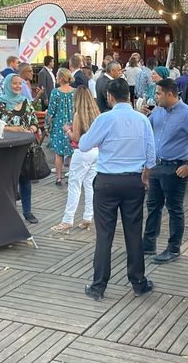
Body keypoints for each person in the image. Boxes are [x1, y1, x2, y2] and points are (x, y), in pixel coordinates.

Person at [79, 78, 155, 301]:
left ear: (110, 97)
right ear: (129, 97)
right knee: (134, 233)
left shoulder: (105, 119)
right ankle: (138, 282)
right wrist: (145, 178)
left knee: (104, 235)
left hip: (106, 182)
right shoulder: (142, 119)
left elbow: (84, 145)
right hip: (134, 181)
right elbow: (151, 156)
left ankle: (98, 286)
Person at [140, 78, 188, 263]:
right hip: (157, 165)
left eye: (158, 93)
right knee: (153, 206)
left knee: (174, 209)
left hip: (176, 167)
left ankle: (173, 249)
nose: (155, 97)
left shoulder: (187, 114)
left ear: (169, 94)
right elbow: (148, 128)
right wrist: (142, 116)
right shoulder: (158, 110)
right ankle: (148, 244)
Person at [0, 74, 41, 225]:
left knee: (25, 181)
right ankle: (9, 212)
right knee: (8, 183)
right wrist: (12, 129)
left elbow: (34, 122)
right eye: (15, 83)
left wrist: (31, 129)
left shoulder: (25, 101)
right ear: (7, 85)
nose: (18, 86)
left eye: (20, 83)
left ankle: (27, 212)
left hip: (25, 149)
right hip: (6, 150)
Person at [51, 86, 99, 232]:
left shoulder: (78, 114)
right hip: (95, 151)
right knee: (89, 184)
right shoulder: (96, 113)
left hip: (81, 151)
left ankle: (67, 220)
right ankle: (88, 217)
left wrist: (68, 130)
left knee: (74, 185)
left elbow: (76, 137)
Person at [47, 68, 75, 185]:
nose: (56, 78)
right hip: (72, 124)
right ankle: (71, 176)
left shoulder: (55, 92)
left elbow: (51, 110)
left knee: (59, 153)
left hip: (58, 125)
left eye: (57, 76)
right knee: (72, 152)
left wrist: (47, 125)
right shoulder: (75, 91)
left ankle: (58, 177)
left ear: (61, 78)